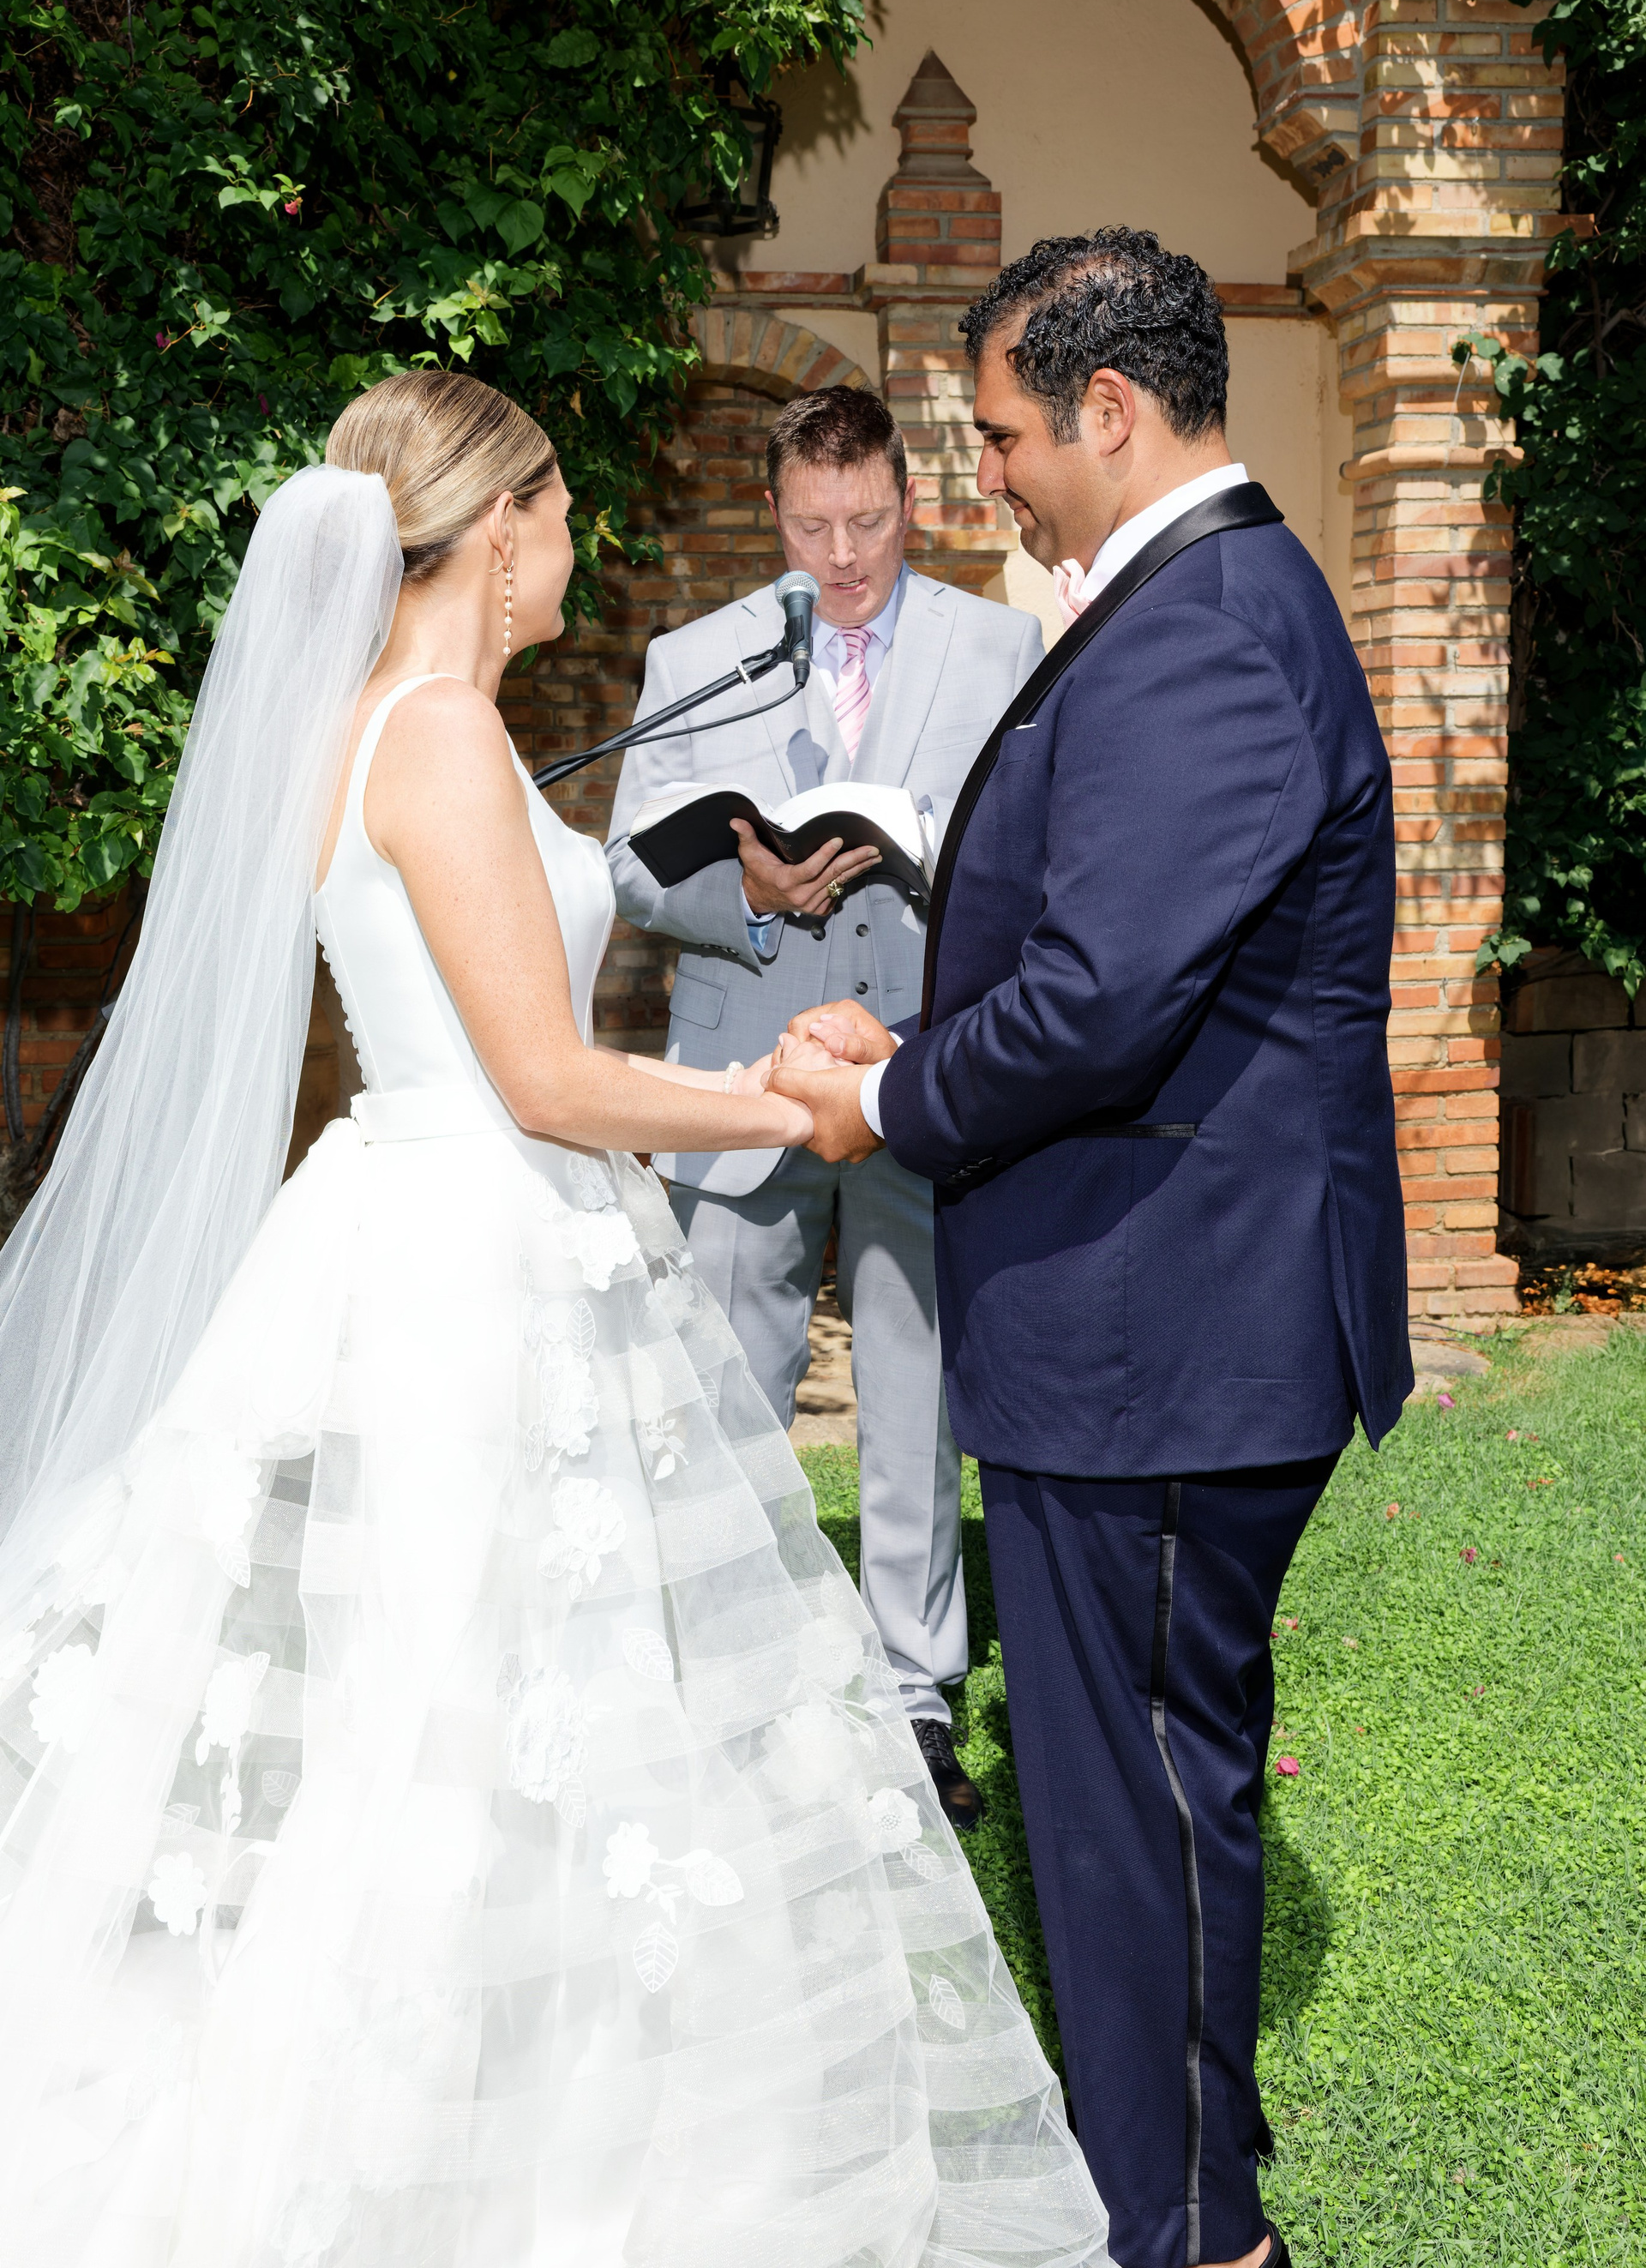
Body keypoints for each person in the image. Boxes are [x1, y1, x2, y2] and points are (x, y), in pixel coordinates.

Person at [0, 372, 1109, 2265]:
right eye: (567, 509)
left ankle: (517, 2085)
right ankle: (410, 2147)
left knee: (503, 1689)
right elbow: (545, 1079)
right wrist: (800, 1103)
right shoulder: (433, 734)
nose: (582, 541)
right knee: (459, 1701)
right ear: (499, 525)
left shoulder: (399, 722)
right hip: (472, 1251)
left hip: (444, 1218)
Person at [771, 229, 1413, 2268]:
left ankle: (1198, 2232)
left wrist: (888, 1101)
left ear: (1111, 412)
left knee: (1133, 1804)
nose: (992, 477)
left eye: (1007, 434)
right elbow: (1106, 959)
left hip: (1168, 1328)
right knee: (1136, 1791)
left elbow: (1104, 1003)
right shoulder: (1191, 602)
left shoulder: (1203, 624)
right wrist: (913, 1043)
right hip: (1149, 1312)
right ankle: (1183, 2175)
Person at [606, 387, 1042, 1829]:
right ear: (773, 514)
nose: (843, 556)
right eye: (811, 527)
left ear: (910, 501)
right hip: (744, 1076)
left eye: (866, 522)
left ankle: (916, 1695)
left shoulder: (1003, 645)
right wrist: (745, 892)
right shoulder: (699, 656)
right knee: (728, 1390)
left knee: (916, 1393)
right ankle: (736, 1685)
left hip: (921, 1067)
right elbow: (629, 866)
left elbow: (1040, 850)